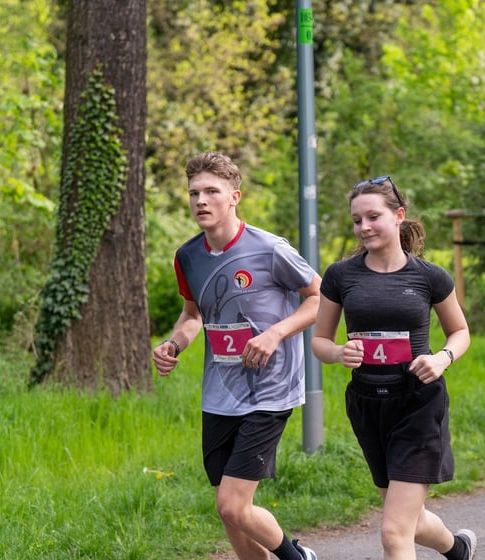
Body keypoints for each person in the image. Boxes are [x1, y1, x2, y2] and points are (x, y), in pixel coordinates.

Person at [152, 151, 322, 560]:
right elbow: (192, 315)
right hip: (220, 392)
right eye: (194, 193)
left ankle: (298, 558)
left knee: (232, 504)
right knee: (231, 514)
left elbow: (320, 297)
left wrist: (276, 334)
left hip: (271, 387)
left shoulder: (269, 248)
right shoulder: (187, 256)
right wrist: (173, 345)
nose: (201, 201)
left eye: (212, 191)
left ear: (234, 196)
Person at [311, 175, 476, 560]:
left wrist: (441, 358)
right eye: (356, 220)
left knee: (393, 531)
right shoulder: (340, 275)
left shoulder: (429, 276)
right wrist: (338, 353)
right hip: (368, 403)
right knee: (407, 520)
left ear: (398, 216)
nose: (363, 227)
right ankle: (458, 549)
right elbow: (320, 340)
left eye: (373, 217)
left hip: (418, 403)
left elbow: (460, 332)